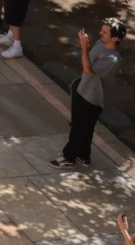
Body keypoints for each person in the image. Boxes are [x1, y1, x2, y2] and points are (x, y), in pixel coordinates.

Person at [53, 17, 125, 168]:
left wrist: (84, 47)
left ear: (115, 38)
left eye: (105, 32)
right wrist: (79, 82)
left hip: (93, 98)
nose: (100, 33)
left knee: (78, 129)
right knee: (85, 129)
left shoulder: (112, 60)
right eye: (102, 30)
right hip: (83, 88)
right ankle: (83, 157)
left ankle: (69, 158)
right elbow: (87, 66)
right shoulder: (101, 43)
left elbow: (89, 69)